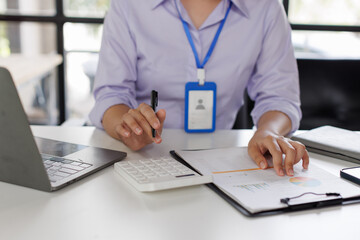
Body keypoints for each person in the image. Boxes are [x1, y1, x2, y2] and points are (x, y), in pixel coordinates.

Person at [89, 0, 309, 177]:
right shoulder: (128, 5)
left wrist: (267, 131)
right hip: (140, 159)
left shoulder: (266, 8)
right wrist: (126, 127)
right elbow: (111, 94)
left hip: (219, 162)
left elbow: (279, 97)